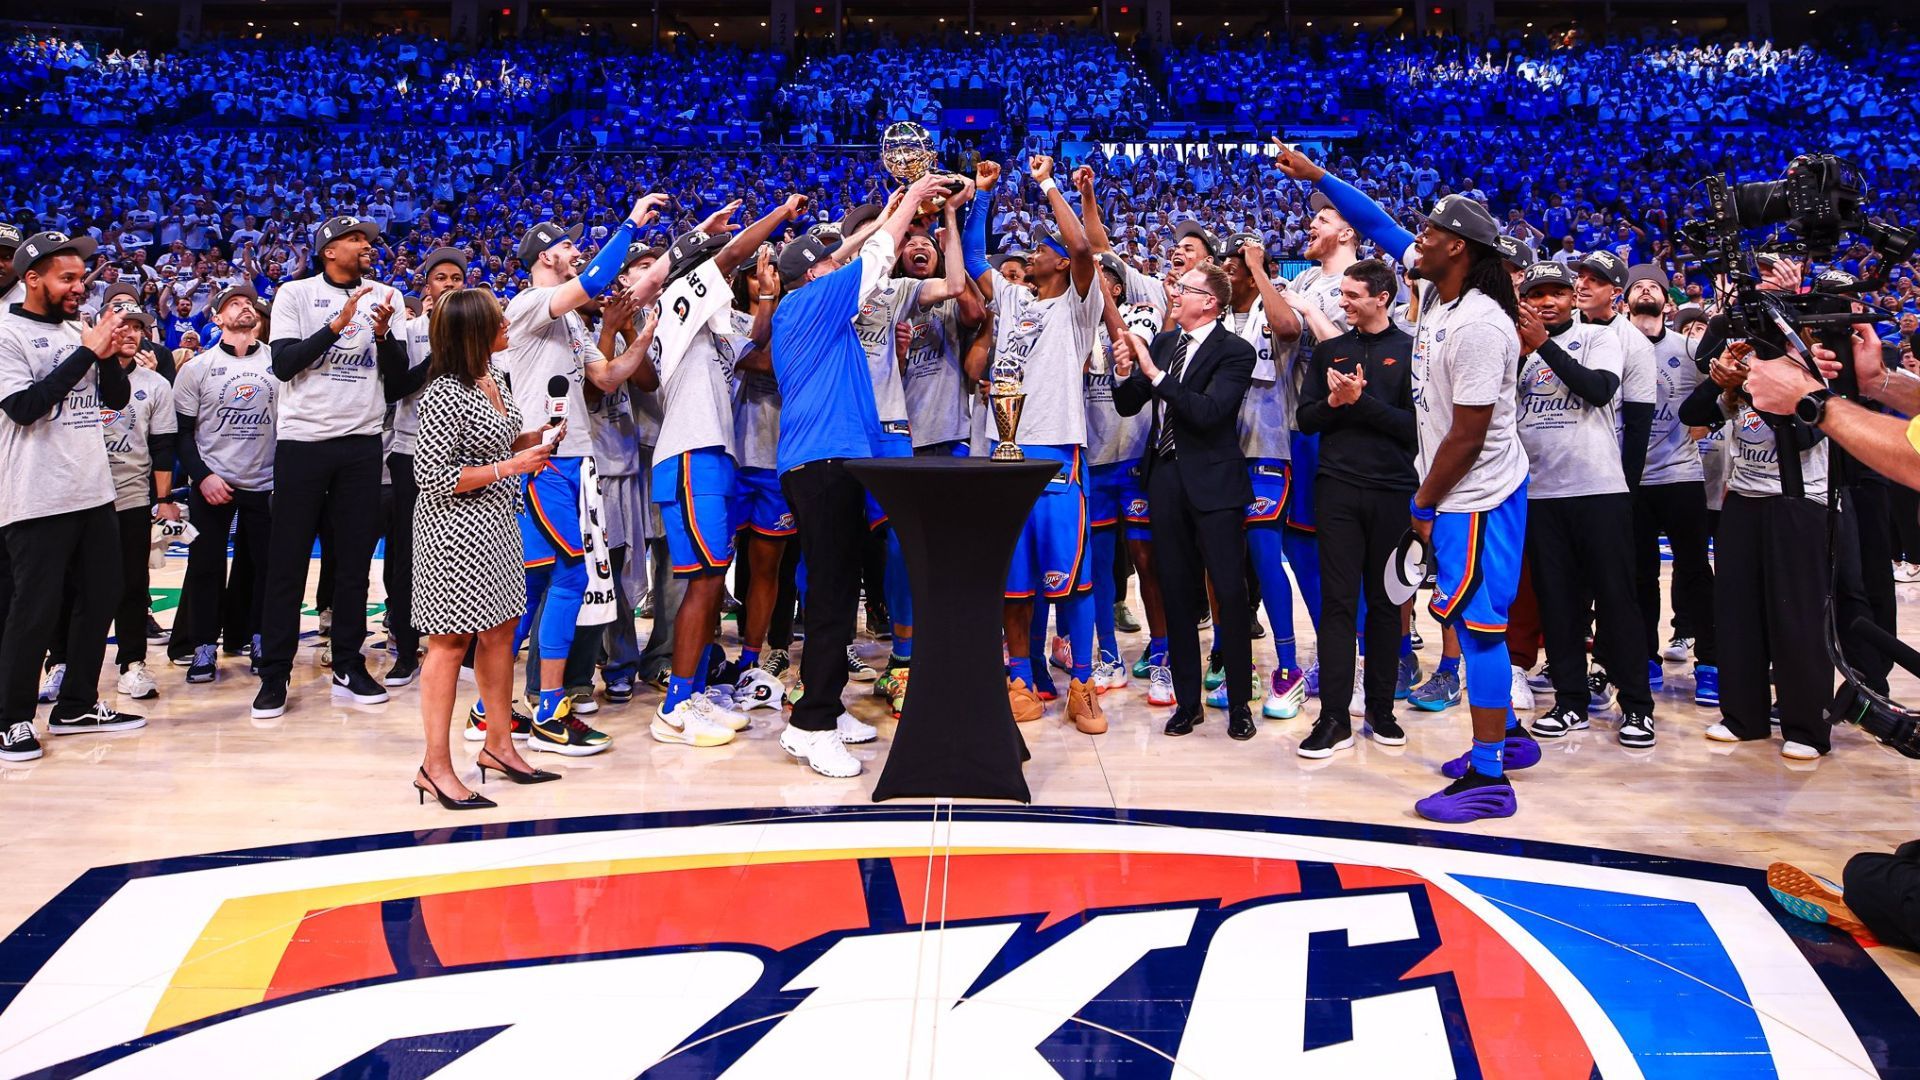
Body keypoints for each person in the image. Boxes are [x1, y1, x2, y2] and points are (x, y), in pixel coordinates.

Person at [1291, 148, 1535, 823]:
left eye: (1427, 231)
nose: (1414, 238)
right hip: (1457, 491)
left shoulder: (1480, 322)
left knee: (1480, 631)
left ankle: (1489, 777)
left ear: (1457, 247)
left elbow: (1468, 434)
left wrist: (1424, 503)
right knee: (1463, 618)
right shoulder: (1441, 292)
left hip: (1476, 494)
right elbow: (1376, 223)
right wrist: (1318, 177)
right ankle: (1510, 739)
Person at [767, 169, 946, 777]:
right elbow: (872, 258)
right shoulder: (811, 302)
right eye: (828, 262)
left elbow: (851, 251)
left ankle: (826, 704)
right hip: (823, 464)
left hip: (822, 461)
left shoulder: (809, 306)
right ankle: (812, 723)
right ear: (814, 275)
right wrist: (913, 199)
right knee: (832, 596)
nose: (837, 264)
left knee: (838, 593)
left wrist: (890, 210)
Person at [490, 192, 667, 754]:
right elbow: (592, 282)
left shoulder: (569, 324)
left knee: (536, 585)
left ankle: (486, 708)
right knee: (570, 578)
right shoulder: (529, 303)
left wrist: (642, 335)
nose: (576, 252)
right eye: (567, 245)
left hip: (574, 459)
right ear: (545, 255)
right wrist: (630, 223)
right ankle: (550, 709)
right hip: (545, 461)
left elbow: (609, 377)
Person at [646, 197, 804, 746]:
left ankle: (692, 692)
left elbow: (757, 342)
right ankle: (675, 707)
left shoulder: (713, 329)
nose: (729, 273)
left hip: (714, 456)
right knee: (704, 580)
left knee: (711, 579)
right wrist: (781, 213)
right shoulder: (676, 307)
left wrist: (768, 296)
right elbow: (730, 254)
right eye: (718, 268)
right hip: (691, 453)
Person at [962, 156, 1109, 736]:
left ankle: (1083, 687)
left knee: (1072, 576)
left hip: (1055, 450)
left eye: (1042, 248)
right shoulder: (1015, 299)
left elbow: (1082, 248)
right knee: (1014, 578)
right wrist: (981, 195)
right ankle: (1021, 678)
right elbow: (974, 259)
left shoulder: (1078, 305)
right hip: (1005, 451)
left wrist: (1049, 185)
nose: (1032, 253)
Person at [256, 216, 414, 719]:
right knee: (287, 562)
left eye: (367, 239)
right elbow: (284, 365)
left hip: (361, 444)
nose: (366, 245)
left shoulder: (387, 295)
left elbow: (396, 383)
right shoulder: (295, 294)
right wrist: (337, 325)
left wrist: (384, 336)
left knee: (353, 563)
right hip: (302, 442)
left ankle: (348, 663)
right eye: (355, 239)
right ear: (328, 250)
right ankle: (275, 673)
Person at [410, 288, 560, 810]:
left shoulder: (491, 377)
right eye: (498, 320)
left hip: (497, 523)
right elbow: (433, 477)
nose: (507, 325)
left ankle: (499, 746)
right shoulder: (442, 393)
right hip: (452, 533)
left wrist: (533, 440)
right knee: (449, 645)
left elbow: (496, 442)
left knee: (500, 636)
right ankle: (434, 767)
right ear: (474, 332)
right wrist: (510, 467)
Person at [0, 232, 145, 763]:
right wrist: (87, 350)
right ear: (32, 279)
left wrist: (103, 355)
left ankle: (77, 705)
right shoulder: (6, 332)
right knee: (35, 611)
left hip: (93, 489)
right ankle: (11, 719)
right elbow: (25, 407)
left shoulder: (73, 329)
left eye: (81, 278)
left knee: (102, 596)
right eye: (67, 278)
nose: (79, 287)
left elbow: (116, 399)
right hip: (36, 494)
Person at [1510, 261, 1655, 747]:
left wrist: (1542, 345)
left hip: (1599, 490)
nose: (1547, 302)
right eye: (1537, 294)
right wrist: (1523, 352)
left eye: (1556, 292)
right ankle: (1570, 701)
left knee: (1617, 601)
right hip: (1539, 492)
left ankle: (1637, 707)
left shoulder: (1598, 337)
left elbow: (1598, 389)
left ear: (1572, 298)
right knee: (1557, 604)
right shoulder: (1516, 350)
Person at [1112, 262, 1258, 739]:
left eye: (1184, 288)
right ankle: (1187, 703)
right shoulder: (1164, 343)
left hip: (1215, 484)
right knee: (1175, 591)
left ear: (1210, 302)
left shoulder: (1235, 351)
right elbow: (1129, 404)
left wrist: (1155, 375)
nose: (1174, 293)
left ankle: (1239, 704)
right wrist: (1125, 371)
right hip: (1166, 479)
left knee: (1230, 595)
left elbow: (1210, 413)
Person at [1678, 339, 1833, 759]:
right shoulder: (1742, 388)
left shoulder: (1814, 377)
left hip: (1799, 503)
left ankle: (1807, 727)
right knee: (1737, 612)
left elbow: (1803, 437)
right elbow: (1691, 414)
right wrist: (1720, 383)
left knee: (1796, 617)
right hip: (1743, 500)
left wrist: (1755, 386)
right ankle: (1743, 717)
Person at [1292, 258, 1417, 757]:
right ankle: (1334, 718)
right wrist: (1336, 403)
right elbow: (1306, 419)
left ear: (1382, 297)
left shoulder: (1411, 351)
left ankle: (1382, 711)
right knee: (1338, 604)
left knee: (1387, 604)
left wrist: (1360, 403)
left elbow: (1415, 429)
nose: (1341, 302)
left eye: (1350, 295)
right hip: (1337, 489)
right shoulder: (1331, 352)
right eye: (1340, 293)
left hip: (1393, 492)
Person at [1623, 262, 1718, 707]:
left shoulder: (1690, 348)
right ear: (1625, 299)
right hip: (1630, 478)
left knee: (1695, 570)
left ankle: (1711, 662)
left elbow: (1720, 393)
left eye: (1653, 286)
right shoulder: (1614, 343)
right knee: (1639, 574)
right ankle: (1645, 657)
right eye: (1638, 286)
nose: (1646, 291)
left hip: (1681, 474)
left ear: (1668, 301)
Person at [175, 284, 276, 684]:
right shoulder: (198, 367)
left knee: (266, 568)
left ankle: (259, 638)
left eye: (249, 303)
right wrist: (203, 476)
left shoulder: (277, 362)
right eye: (234, 304)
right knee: (205, 566)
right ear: (217, 318)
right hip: (213, 480)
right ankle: (203, 645)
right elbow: (181, 433)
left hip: (265, 481)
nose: (244, 307)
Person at [386, 246, 469, 689]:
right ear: (427, 287)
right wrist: (440, 355)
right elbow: (395, 387)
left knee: (462, 554)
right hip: (411, 450)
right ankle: (404, 647)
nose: (450, 283)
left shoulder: (478, 328)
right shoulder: (409, 329)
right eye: (441, 277)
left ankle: (464, 645)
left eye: (457, 277)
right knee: (406, 554)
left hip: (464, 455)